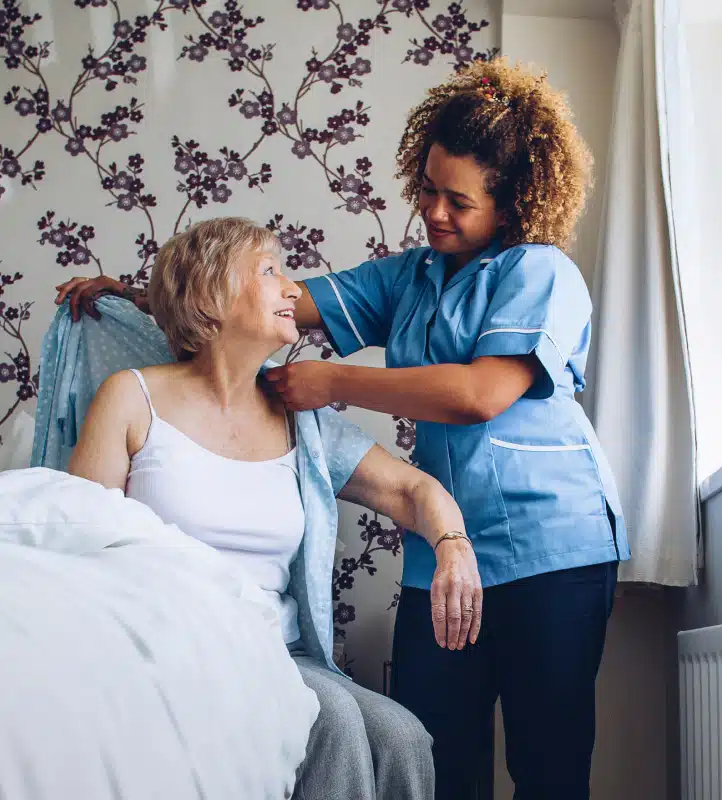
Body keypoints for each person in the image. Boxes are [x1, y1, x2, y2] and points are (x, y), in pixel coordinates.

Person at [57, 58, 630, 800]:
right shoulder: (411, 277)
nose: (434, 210)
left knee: (548, 767)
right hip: (440, 551)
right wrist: (140, 297)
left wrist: (333, 382)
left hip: (552, 544)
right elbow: (256, 302)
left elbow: (482, 393)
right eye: (427, 187)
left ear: (512, 203)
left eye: (459, 200)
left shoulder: (541, 273)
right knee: (430, 751)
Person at [65, 216, 487, 800]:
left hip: (278, 652)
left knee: (403, 737)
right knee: (332, 722)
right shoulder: (132, 397)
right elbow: (78, 543)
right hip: (173, 651)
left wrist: (452, 546)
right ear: (211, 294)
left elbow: (414, 491)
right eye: (271, 271)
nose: (293, 289)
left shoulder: (301, 419)